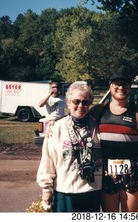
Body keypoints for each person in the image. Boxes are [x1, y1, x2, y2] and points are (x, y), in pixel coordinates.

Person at [36, 82, 102, 212]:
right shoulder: (56, 128)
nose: (80, 106)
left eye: (85, 102)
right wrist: (46, 188)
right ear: (68, 102)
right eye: (76, 101)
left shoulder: (98, 127)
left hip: (92, 191)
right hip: (66, 191)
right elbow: (47, 159)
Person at [97, 72, 138, 212]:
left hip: (133, 173)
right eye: (116, 84)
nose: (121, 87)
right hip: (106, 172)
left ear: (130, 88)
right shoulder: (98, 111)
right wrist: (53, 123)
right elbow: (76, 118)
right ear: (110, 87)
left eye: (124, 84)